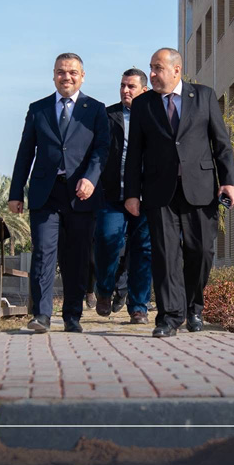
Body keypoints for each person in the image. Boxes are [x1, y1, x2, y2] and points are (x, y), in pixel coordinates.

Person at [124, 48, 234, 337]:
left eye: (157, 68)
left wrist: (229, 181)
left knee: (201, 251)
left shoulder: (203, 96)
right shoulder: (143, 104)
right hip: (158, 191)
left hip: (200, 188)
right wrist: (132, 193)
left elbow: (221, 143)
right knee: (165, 255)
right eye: (151, 68)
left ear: (176, 70)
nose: (152, 74)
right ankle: (169, 317)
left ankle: (193, 307)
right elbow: (135, 151)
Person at [9, 53, 109, 334]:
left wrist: (91, 179)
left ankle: (72, 316)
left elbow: (102, 149)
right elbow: (25, 152)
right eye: (61, 72)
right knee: (43, 252)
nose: (67, 77)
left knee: (76, 257)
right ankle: (41, 315)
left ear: (82, 76)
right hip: (46, 193)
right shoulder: (38, 109)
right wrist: (15, 192)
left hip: (81, 194)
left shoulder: (95, 109)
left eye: (73, 72)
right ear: (53, 75)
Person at [93, 68, 153, 324]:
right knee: (107, 241)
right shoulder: (108, 116)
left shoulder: (155, 115)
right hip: (112, 195)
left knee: (144, 250)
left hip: (146, 196)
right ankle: (104, 290)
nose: (125, 90)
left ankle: (139, 306)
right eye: (122, 86)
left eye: (131, 86)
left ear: (144, 90)